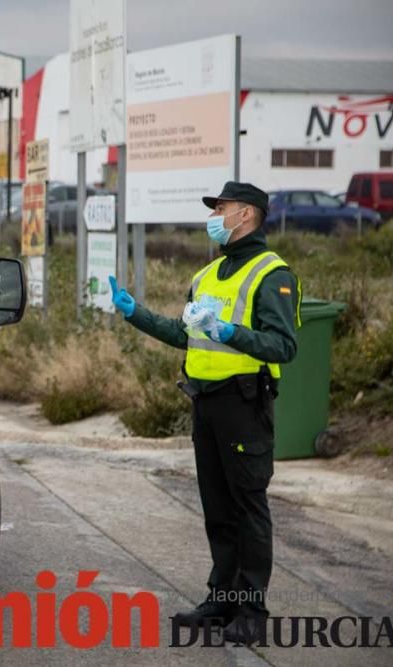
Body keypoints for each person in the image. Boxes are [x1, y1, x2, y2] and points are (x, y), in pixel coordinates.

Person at [109, 181, 301, 644]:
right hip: (206, 403)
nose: (215, 214)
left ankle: (251, 610)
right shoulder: (208, 274)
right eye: (215, 207)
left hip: (244, 404)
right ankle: (222, 599)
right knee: (217, 508)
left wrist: (231, 331)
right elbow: (187, 334)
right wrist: (138, 314)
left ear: (247, 215)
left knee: (247, 506)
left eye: (223, 207)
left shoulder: (272, 273)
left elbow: (283, 345)